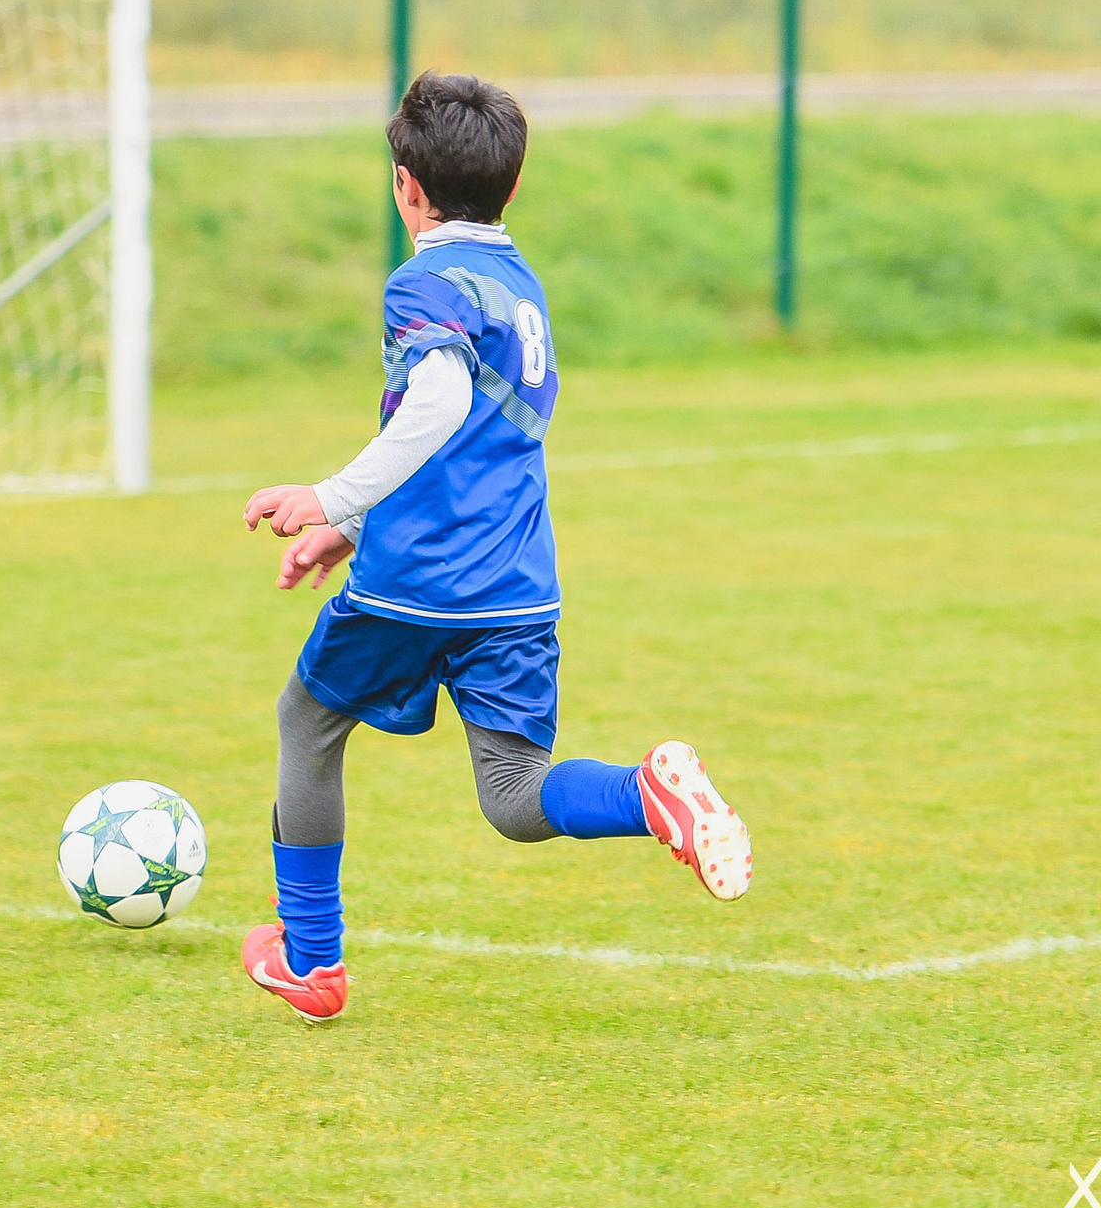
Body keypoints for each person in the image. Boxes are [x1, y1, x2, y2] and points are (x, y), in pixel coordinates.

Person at [237, 71, 753, 1023]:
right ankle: (648, 793)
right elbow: (473, 439)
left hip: (417, 586)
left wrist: (327, 497)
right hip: (515, 584)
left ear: (404, 185)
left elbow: (437, 404)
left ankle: (311, 960)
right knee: (514, 797)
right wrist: (351, 528)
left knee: (306, 724)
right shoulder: (521, 286)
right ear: (512, 186)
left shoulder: (421, 283)